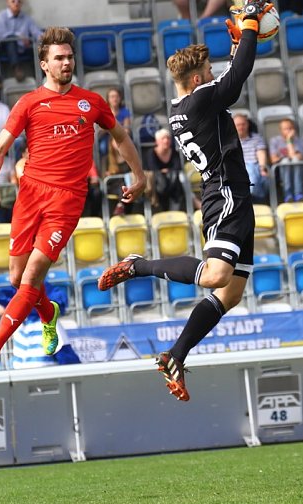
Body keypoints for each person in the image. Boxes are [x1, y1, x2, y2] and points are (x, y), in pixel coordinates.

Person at [96, 1, 266, 401]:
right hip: (224, 194)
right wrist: (251, 25)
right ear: (193, 81)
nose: (212, 76)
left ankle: (176, 354)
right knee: (215, 277)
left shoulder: (182, 106)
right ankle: (139, 265)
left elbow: (227, 76)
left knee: (231, 293)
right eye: (206, 73)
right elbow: (238, 74)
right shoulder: (198, 101)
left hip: (234, 195)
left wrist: (241, 36)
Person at [0, 27, 145, 370]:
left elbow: (120, 137)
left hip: (67, 201)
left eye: (69, 57)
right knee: (16, 279)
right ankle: (49, 313)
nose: (66, 62)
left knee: (31, 277)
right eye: (58, 58)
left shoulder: (91, 102)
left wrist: (140, 175)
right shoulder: (29, 103)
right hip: (30, 195)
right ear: (44, 64)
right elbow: (1, 147)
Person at [0, 0, 43, 70]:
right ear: (7, 2)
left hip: (24, 47)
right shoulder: (1, 16)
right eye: (13, 1)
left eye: (19, 1)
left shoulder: (26, 18)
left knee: (38, 48)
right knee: (11, 40)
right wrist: (19, 38)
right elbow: (0, 35)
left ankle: (42, 74)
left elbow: (36, 32)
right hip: (5, 48)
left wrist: (43, 37)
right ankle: (16, 69)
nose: (16, 3)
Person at [145, 128, 186, 212]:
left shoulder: (175, 153)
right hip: (157, 184)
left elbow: (178, 168)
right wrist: (165, 172)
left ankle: (174, 211)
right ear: (157, 141)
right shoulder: (151, 153)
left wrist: (166, 171)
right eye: (163, 138)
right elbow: (153, 169)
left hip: (173, 183)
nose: (166, 141)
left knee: (179, 180)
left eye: (168, 138)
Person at [268, 117, 303, 202]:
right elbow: (273, 159)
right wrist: (287, 157)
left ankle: (299, 194)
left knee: (295, 160)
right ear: (281, 130)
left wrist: (289, 141)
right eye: (285, 129)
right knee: (285, 161)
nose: (288, 130)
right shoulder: (274, 141)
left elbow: (298, 157)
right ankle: (288, 195)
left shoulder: (299, 140)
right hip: (281, 171)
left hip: (299, 170)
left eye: (290, 128)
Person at [233, 111, 268, 204]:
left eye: (243, 124)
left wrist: (262, 167)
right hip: (238, 168)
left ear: (248, 124)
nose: (241, 127)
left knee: (253, 169)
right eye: (238, 125)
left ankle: (252, 197)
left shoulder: (257, 138)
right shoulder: (230, 141)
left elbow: (261, 153)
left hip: (255, 166)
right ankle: (257, 198)